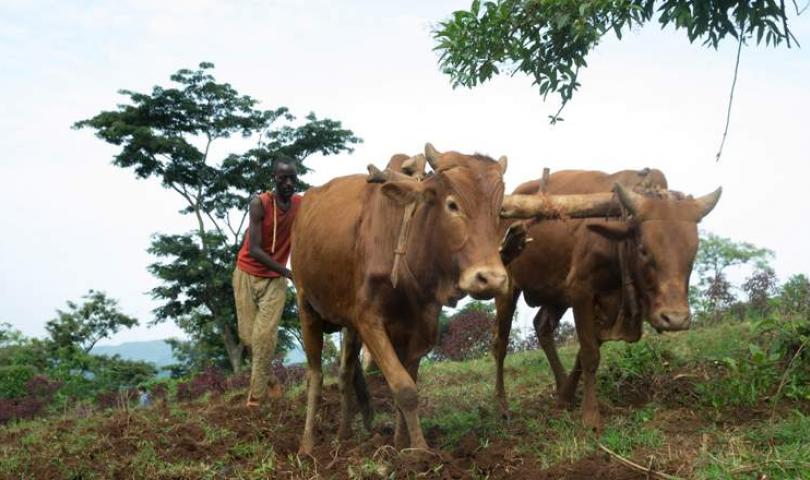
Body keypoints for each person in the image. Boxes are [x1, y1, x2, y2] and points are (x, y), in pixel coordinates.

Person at [233, 157, 301, 407]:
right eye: (283, 177)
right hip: (246, 274)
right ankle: (269, 378)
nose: (288, 182)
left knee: (264, 338)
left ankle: (256, 399)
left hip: (274, 282)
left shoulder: (300, 204)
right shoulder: (259, 204)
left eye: (292, 177)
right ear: (274, 177)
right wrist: (287, 272)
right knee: (248, 338)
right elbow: (254, 249)